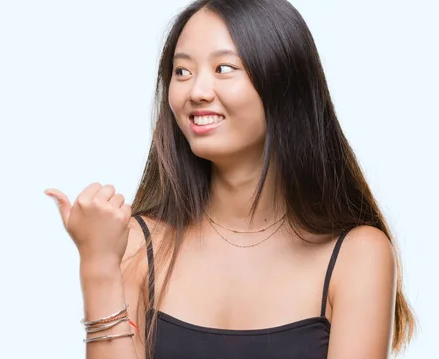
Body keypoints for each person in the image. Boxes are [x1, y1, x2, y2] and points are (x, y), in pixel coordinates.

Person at [45, 0, 416, 358]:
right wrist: (97, 264)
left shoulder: (357, 255)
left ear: (283, 81)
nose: (197, 92)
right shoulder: (136, 246)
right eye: (182, 71)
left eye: (224, 68)